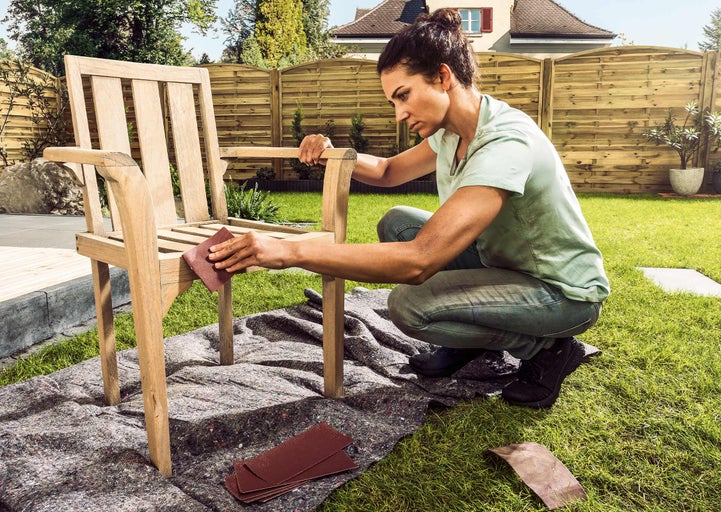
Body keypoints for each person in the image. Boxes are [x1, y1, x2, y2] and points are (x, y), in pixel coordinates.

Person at [209, 8, 609, 409]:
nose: (399, 113)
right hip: (504, 265)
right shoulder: (452, 133)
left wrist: (289, 250)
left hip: (560, 292)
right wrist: (335, 154)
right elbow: (385, 171)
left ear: (442, 77)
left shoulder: (506, 143)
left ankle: (546, 349)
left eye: (403, 96)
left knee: (409, 305)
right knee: (397, 222)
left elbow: (420, 261)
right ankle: (466, 339)